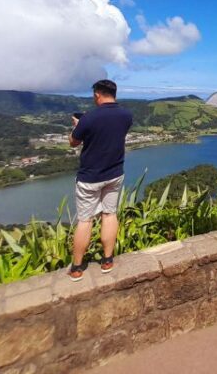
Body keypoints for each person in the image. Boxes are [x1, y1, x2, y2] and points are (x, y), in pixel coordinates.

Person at [67, 79, 133, 281]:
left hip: (90, 177)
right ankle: (107, 260)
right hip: (114, 174)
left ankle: (77, 267)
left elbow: (73, 142)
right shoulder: (126, 115)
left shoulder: (89, 118)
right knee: (109, 214)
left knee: (85, 220)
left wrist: (78, 125)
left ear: (97, 94)